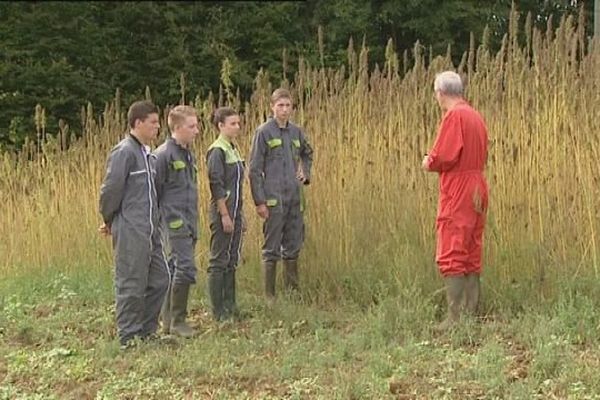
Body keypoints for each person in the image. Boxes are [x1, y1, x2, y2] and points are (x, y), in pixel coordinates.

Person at [99, 100, 170, 348]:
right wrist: (108, 219)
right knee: (131, 282)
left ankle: (147, 331)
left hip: (151, 230)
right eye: (153, 122)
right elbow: (110, 191)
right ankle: (129, 337)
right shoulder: (124, 152)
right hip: (131, 229)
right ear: (137, 123)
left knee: (161, 279)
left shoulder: (148, 154)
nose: (157, 127)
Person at [422, 71, 489, 331]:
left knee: (452, 246)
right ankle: (472, 314)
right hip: (478, 184)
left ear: (440, 93)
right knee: (472, 248)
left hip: (459, 186)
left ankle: (454, 318)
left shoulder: (454, 116)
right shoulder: (474, 114)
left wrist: (428, 161)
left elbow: (445, 156)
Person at [249, 88, 314, 303]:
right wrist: (259, 201)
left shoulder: (296, 132)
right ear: (272, 107)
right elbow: (255, 169)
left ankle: (292, 292)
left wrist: (305, 171)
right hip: (273, 199)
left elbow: (307, 152)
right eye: (280, 106)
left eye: (288, 106)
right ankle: (269, 296)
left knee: (293, 244)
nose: (284, 110)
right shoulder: (264, 132)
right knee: (271, 247)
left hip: (294, 198)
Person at [154, 105, 200, 338]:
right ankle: (177, 320)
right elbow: (155, 192)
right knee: (184, 268)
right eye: (192, 126)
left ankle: (169, 322)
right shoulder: (163, 155)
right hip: (173, 223)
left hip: (189, 220)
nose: (197, 130)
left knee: (175, 270)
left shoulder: (187, 153)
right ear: (178, 127)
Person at [206, 107, 244, 321]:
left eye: (238, 123)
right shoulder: (217, 150)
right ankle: (218, 310)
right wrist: (224, 214)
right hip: (223, 212)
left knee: (232, 257)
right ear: (220, 126)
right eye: (232, 124)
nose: (237, 127)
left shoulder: (233, 148)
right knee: (219, 258)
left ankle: (231, 305)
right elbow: (216, 184)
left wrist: (240, 215)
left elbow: (238, 186)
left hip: (236, 211)